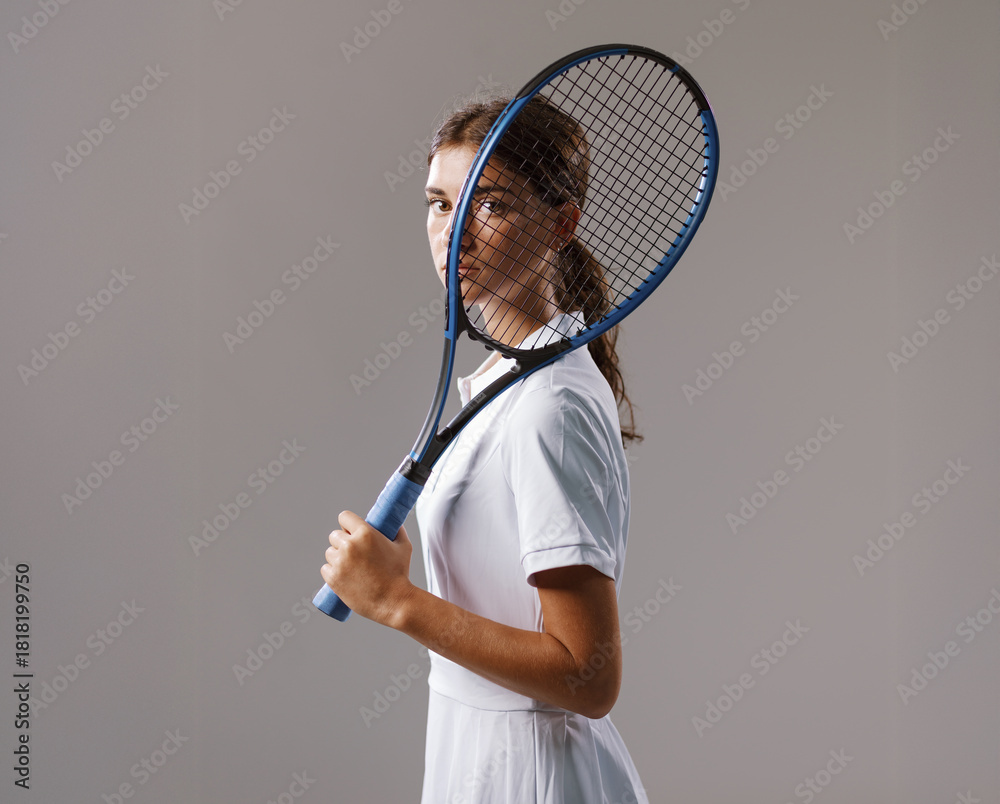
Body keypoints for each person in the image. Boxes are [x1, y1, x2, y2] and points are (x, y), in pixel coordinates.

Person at [320, 94, 648, 804]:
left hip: (534, 776)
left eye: (489, 205)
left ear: (561, 224)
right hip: (477, 758)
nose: (454, 232)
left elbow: (589, 677)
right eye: (440, 204)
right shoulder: (509, 379)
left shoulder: (550, 405)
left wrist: (396, 601)